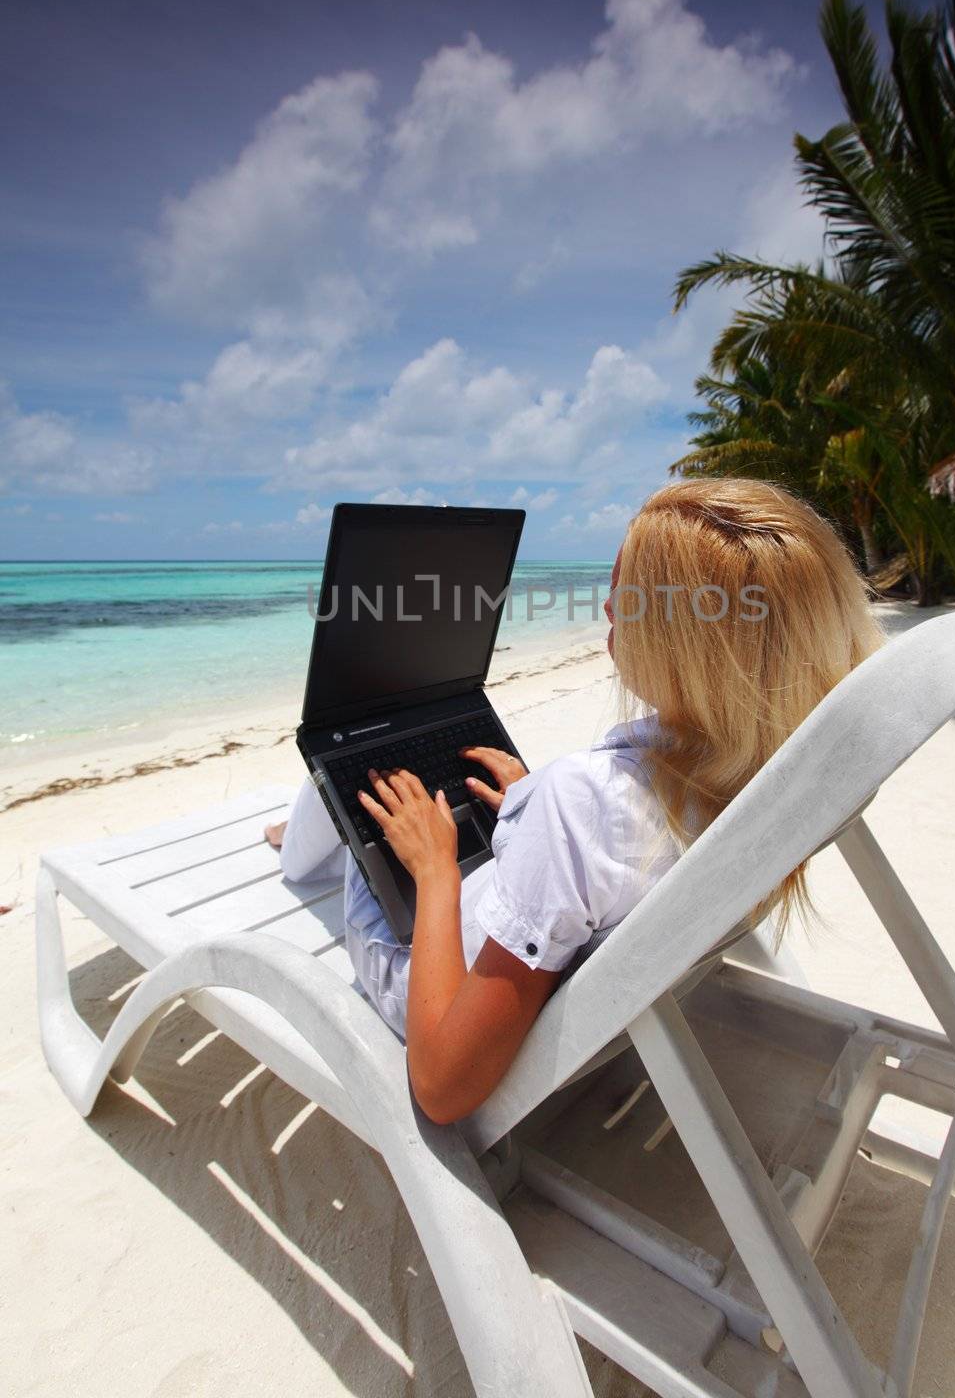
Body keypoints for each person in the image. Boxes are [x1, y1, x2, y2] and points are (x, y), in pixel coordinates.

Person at [269, 479, 884, 1124]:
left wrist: (434, 869)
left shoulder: (585, 802)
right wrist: (536, 816)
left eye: (635, 586)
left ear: (690, 642)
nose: (611, 602)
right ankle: (307, 825)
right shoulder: (774, 763)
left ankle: (294, 844)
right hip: (546, 924)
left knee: (342, 770)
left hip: (425, 974)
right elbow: (607, 852)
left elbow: (443, 1085)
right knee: (387, 768)